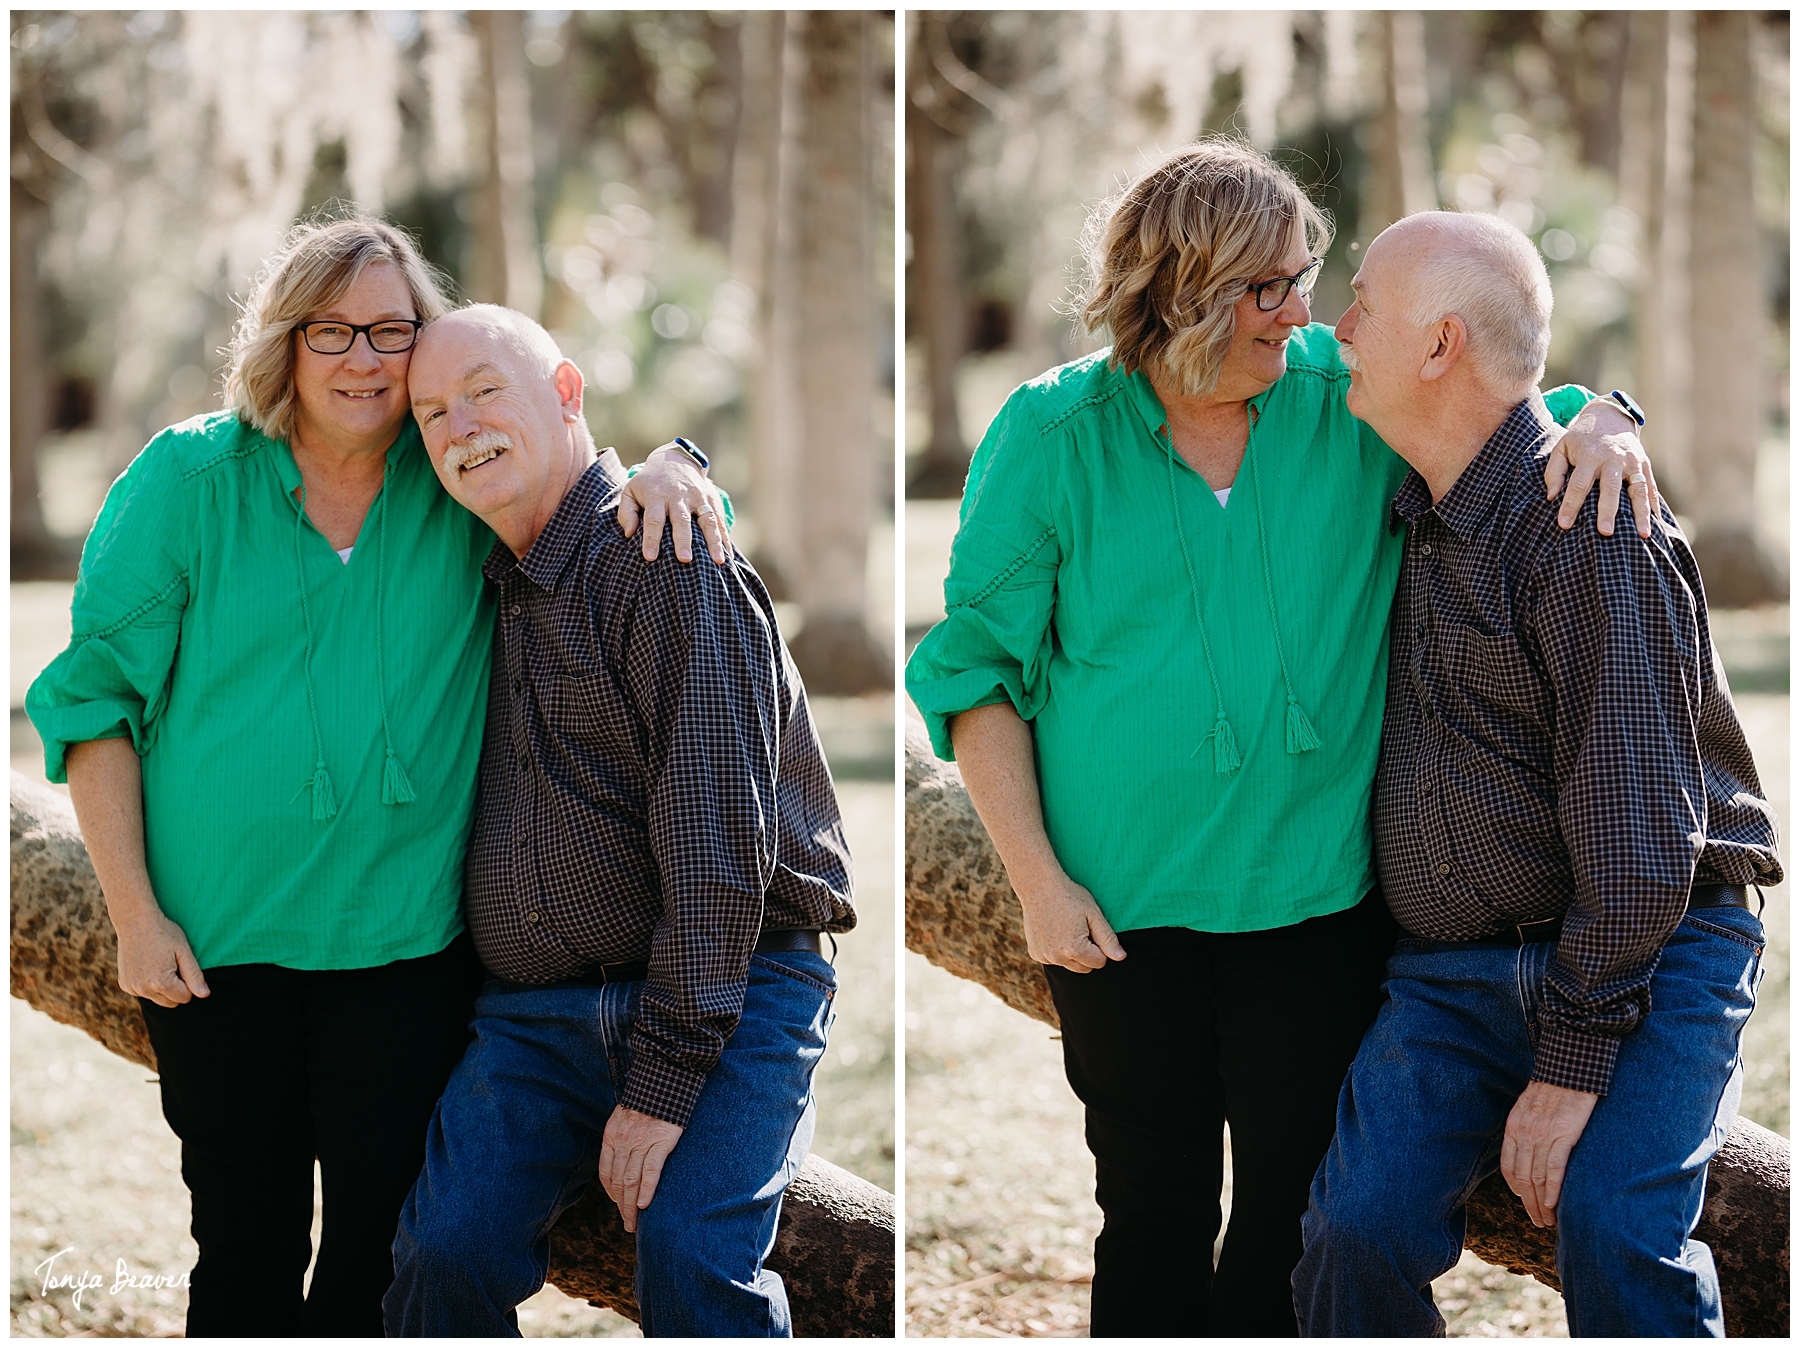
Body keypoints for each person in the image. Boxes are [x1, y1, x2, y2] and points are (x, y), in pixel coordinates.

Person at [903, 141, 1656, 1337]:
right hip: (1119, 915)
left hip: (1319, 909)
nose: (1304, 309)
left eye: (1306, 277)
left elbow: (1509, 418)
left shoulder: (1343, 400)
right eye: (1270, 286)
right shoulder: (1050, 434)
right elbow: (976, 672)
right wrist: (1039, 885)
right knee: (1148, 1209)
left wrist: (1614, 419)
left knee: (1288, 1224)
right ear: (1178, 287)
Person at [23, 216, 724, 1337]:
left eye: (392, 331)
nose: (363, 359)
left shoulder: (451, 477)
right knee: (242, 1256)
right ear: (284, 345)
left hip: (406, 958)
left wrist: (681, 467)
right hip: (217, 955)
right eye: (332, 331)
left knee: (372, 1266)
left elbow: (579, 486)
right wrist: (134, 913)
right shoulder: (188, 481)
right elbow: (93, 702)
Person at [1292, 210, 1781, 1338]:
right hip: (1452, 977)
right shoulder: (1413, 505)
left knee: (1613, 1227)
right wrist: (1607, 406)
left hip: (1650, 951)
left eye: (1362, 302)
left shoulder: (1590, 527)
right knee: (1351, 1234)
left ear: (1439, 345)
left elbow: (1640, 842)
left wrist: (1569, 1064)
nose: (1337, 325)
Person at [382, 305, 855, 1338]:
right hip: (535, 1019)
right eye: (430, 413)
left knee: (691, 1256)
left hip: (734, 988)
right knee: (440, 1254)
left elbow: (719, 854)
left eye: (484, 391)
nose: (459, 427)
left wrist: (662, 1080)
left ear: (564, 393)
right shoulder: (477, 580)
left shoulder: (666, 559)